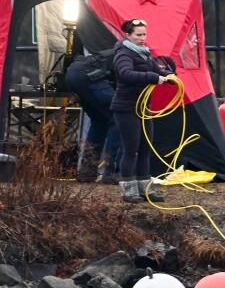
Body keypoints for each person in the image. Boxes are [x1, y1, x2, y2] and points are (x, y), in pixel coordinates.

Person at [110, 19, 176, 203]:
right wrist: (154, 78)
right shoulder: (123, 54)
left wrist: (169, 75)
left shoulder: (145, 54)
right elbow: (126, 74)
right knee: (131, 149)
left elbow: (157, 71)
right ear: (128, 35)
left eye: (144, 34)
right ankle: (128, 191)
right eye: (138, 35)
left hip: (143, 109)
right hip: (126, 108)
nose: (142, 38)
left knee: (145, 148)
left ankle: (145, 189)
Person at [65, 48, 121, 184]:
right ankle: (111, 172)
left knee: (99, 121)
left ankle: (87, 171)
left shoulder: (117, 51)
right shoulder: (132, 56)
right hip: (90, 75)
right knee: (117, 118)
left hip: (72, 73)